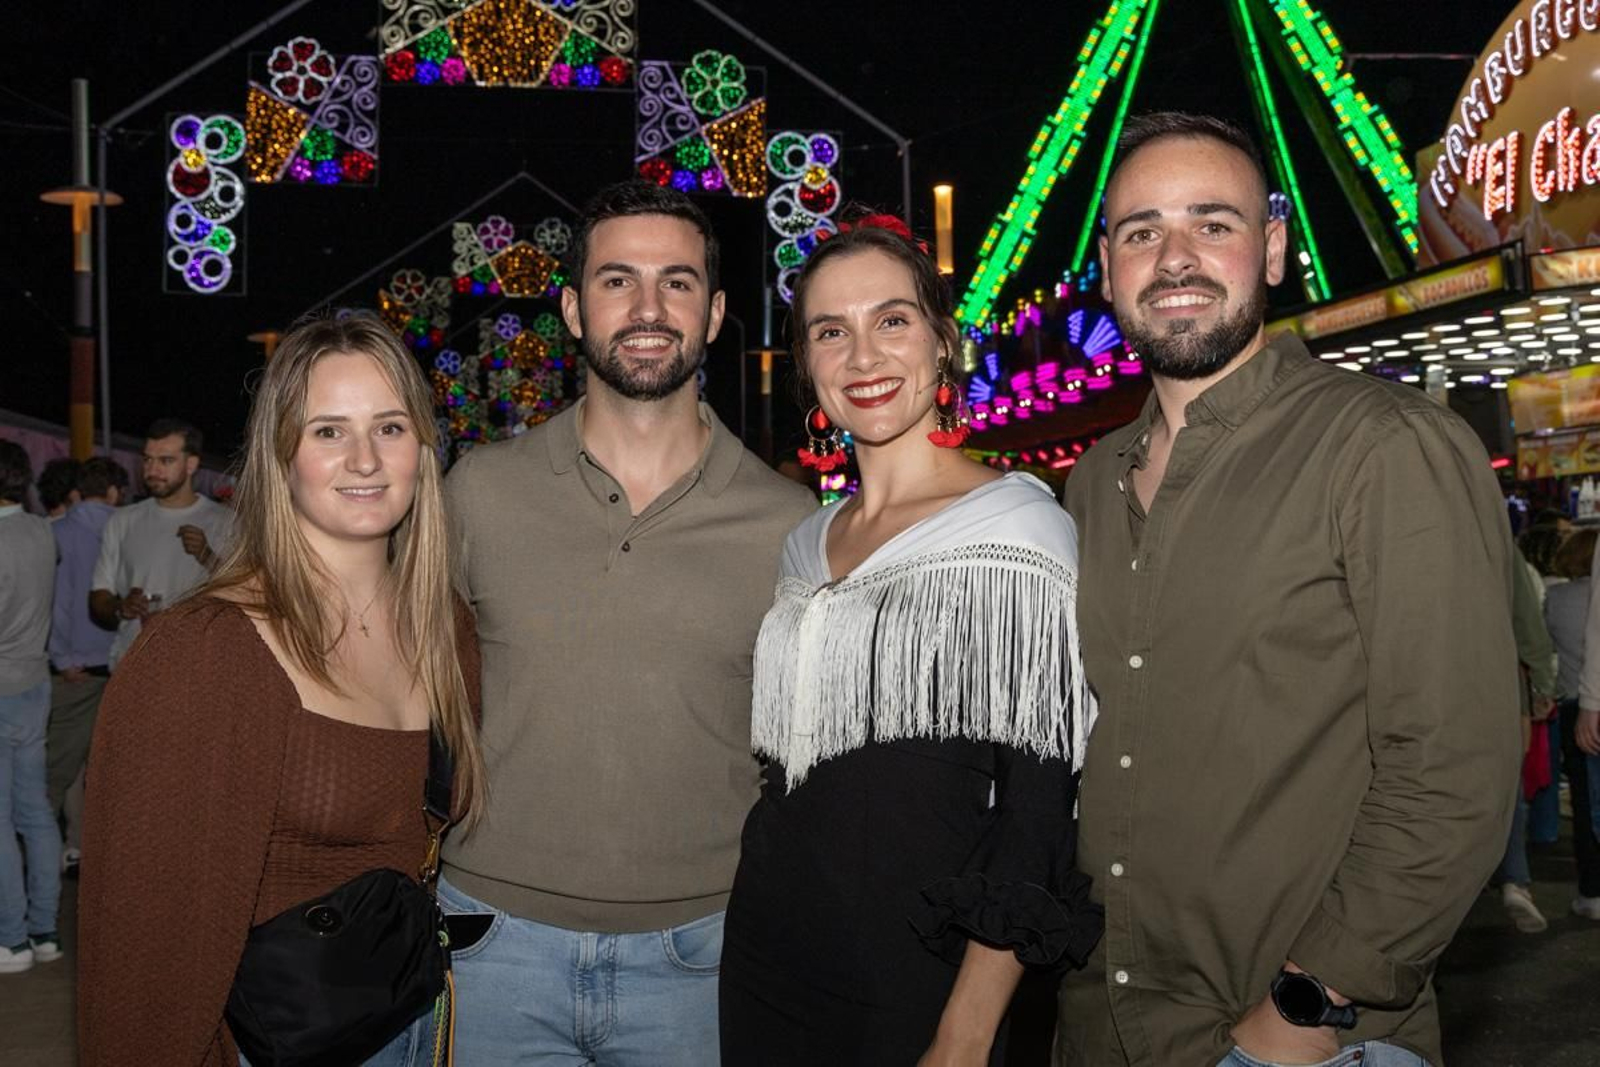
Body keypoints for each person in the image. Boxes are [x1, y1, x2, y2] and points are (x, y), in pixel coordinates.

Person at [1056, 112, 1520, 1067]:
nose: (1174, 256)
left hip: (1303, 1037)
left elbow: (1453, 765)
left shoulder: (1384, 445)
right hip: (1106, 1024)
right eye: (1141, 231)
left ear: (1271, 249)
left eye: (1212, 223)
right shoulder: (1090, 484)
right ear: (1108, 269)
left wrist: (1301, 1014)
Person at [435, 180, 815, 1065]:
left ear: (716, 312)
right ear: (572, 308)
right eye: (618, 281)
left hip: (705, 951)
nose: (648, 307)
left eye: (677, 282)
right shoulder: (478, 493)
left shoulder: (789, 521)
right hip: (492, 943)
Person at [719, 214, 1102, 1067]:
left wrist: (966, 1032)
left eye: (891, 320)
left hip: (920, 980)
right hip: (767, 959)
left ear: (941, 342)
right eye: (831, 331)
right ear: (806, 365)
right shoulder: (804, 543)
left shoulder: (1018, 532)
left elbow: (1038, 810)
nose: (863, 357)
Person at [77, 315, 486, 1066]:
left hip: (418, 1019)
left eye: (389, 426)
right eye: (329, 430)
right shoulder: (206, 654)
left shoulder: (447, 630)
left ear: (424, 450)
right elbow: (143, 950)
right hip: (261, 1044)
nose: (365, 457)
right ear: (280, 455)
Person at [89, 419, 231, 671]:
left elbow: (251, 597)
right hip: (133, 666)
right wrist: (121, 607)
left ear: (191, 464)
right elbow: (99, 595)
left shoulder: (225, 521)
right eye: (147, 460)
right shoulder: (123, 520)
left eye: (165, 461)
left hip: (198, 671)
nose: (152, 470)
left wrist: (207, 556)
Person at [46, 456, 128, 874]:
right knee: (107, 766)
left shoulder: (56, 533)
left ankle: (57, 852)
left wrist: (61, 658)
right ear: (114, 491)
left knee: (60, 769)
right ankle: (89, 848)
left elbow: (54, 607)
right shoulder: (130, 529)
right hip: (122, 666)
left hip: (74, 670)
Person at [0, 440, 61, 974]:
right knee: (36, 814)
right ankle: (44, 932)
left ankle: (11, 940)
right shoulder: (42, 532)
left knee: (0, 820)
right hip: (35, 682)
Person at [1544, 528, 1600, 919]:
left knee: (1586, 804)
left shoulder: (1558, 598)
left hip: (1576, 701)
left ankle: (1592, 891)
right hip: (1588, 698)